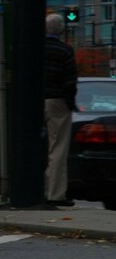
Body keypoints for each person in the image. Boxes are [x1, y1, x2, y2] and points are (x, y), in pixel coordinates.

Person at [43, 13, 78, 207]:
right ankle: (55, 194)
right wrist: (70, 103)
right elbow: (70, 81)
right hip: (57, 101)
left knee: (37, 147)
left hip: (32, 102)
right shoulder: (65, 50)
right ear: (61, 30)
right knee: (58, 148)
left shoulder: (34, 49)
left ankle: (34, 189)